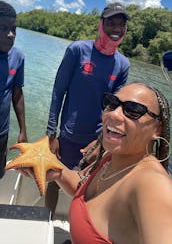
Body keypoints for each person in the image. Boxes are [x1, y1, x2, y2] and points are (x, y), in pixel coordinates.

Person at [22, 82, 172, 243]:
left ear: (157, 129)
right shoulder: (112, 156)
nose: (114, 114)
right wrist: (58, 171)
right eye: (112, 104)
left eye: (133, 111)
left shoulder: (152, 185)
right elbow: (84, 189)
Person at [45, 2, 130, 217]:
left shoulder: (123, 64)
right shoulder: (77, 50)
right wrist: (51, 134)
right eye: (111, 22)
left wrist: (102, 141)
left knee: (88, 191)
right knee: (54, 181)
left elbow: (115, 108)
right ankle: (46, 221)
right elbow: (58, 91)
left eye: (121, 24)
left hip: (97, 142)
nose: (116, 29)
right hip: (67, 136)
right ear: (101, 24)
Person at [0, 0, 28, 179]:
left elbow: (17, 94)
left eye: (14, 29)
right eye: (3, 28)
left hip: (2, 133)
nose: (11, 34)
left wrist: (22, 130)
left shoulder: (18, 57)